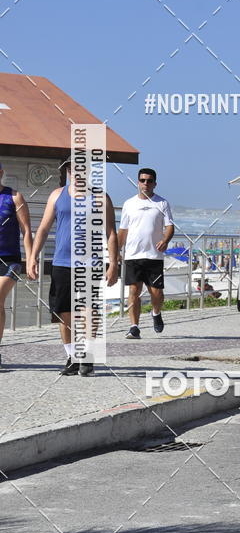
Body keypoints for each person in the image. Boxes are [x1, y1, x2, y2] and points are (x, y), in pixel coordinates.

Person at [28, 160, 118, 376]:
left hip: (90, 263)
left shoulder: (100, 197)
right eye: (71, 169)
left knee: (88, 310)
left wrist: (113, 263)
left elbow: (111, 232)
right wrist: (32, 257)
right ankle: (72, 356)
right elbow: (42, 229)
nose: (76, 173)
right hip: (62, 262)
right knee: (63, 312)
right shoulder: (56, 195)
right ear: (67, 172)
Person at [118, 168, 174, 339]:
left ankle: (156, 313)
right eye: (142, 180)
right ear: (138, 182)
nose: (145, 184)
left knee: (156, 292)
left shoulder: (162, 203)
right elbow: (123, 230)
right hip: (133, 255)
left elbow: (170, 226)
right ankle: (134, 327)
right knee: (133, 291)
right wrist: (115, 252)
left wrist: (165, 240)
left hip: (154, 255)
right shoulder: (129, 204)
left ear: (155, 183)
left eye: (149, 181)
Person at [0, 163, 33, 369]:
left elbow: (27, 230)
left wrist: (30, 259)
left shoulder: (14, 197)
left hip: (9, 259)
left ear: (1, 173)